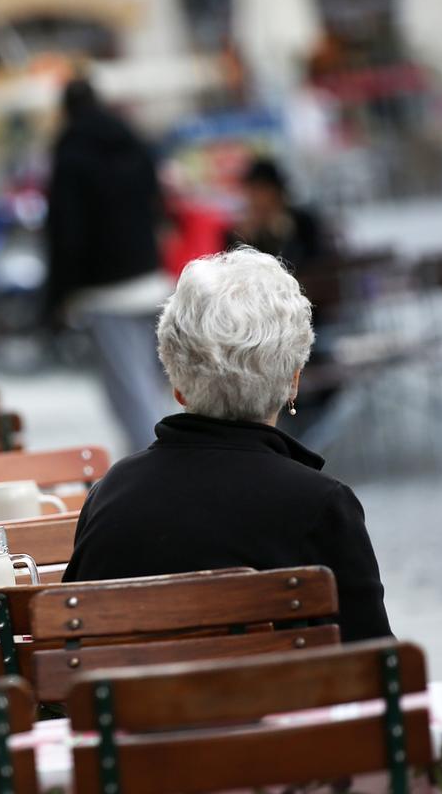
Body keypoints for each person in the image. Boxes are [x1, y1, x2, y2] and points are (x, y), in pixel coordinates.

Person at [63, 249, 391, 642]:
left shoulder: (111, 496)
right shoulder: (322, 506)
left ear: (178, 384)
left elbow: (72, 653)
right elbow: (374, 669)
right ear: (294, 381)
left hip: (138, 705)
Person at [45, 78, 173, 454]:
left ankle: (159, 474)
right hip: (151, 280)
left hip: (106, 292)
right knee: (155, 385)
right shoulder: (133, 143)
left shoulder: (69, 157)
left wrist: (56, 297)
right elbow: (158, 204)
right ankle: (173, 464)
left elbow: (66, 235)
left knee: (129, 394)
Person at [227, 157, 335, 275]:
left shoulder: (303, 222)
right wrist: (248, 239)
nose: (256, 198)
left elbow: (316, 261)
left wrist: (283, 233)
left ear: (277, 191)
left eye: (262, 189)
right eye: (251, 190)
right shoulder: (240, 231)